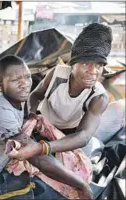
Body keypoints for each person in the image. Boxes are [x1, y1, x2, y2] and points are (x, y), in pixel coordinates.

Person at [0, 55, 92, 199]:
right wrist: (81, 185)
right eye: (15, 80)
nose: (25, 84)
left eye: (27, 77)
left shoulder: (16, 98)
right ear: (0, 83)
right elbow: (38, 159)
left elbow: (31, 106)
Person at [9, 23, 114, 161]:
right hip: (41, 123)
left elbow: (83, 136)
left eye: (99, 65)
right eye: (85, 63)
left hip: (68, 135)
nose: (93, 71)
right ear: (72, 63)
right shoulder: (56, 74)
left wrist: (42, 147)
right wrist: (31, 117)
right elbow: (35, 96)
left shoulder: (98, 97)